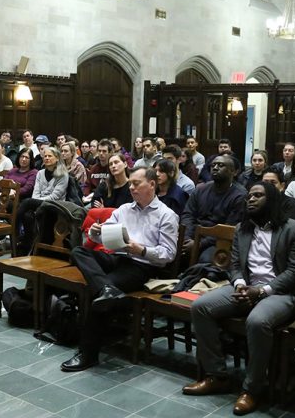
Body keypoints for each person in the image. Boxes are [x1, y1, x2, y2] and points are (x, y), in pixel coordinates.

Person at [183, 181, 295, 415]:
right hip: (247, 287)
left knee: (257, 321)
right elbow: (234, 265)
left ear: (271, 200)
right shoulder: (243, 227)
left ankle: (252, 389)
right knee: (200, 306)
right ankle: (216, 376)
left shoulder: (294, 228)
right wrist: (241, 285)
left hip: (281, 293)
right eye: (249, 196)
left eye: (258, 196)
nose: (250, 199)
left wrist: (262, 291)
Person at [60, 167, 179, 372]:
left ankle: (88, 353)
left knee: (95, 292)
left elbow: (168, 254)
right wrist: (96, 233)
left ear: (152, 184)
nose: (131, 187)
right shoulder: (124, 209)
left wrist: (140, 250)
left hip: (142, 266)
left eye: (136, 183)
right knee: (79, 251)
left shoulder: (166, 215)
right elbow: (104, 238)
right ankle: (107, 289)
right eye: (130, 183)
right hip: (117, 257)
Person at [182, 155, 247, 263]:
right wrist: (187, 238)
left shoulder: (240, 196)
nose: (215, 168)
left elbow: (229, 228)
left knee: (206, 260)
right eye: (213, 165)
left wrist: (199, 243)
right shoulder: (200, 189)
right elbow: (188, 215)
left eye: (221, 165)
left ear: (234, 172)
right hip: (193, 236)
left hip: (218, 240)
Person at [15, 146, 68, 254]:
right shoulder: (40, 173)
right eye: (45, 156)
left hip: (55, 205)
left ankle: (14, 228)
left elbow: (54, 197)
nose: (47, 158)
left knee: (27, 202)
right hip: (39, 202)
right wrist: (36, 203)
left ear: (57, 158)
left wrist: (36, 202)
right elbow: (36, 193)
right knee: (27, 215)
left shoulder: (63, 174)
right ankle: (28, 245)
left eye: (50, 156)